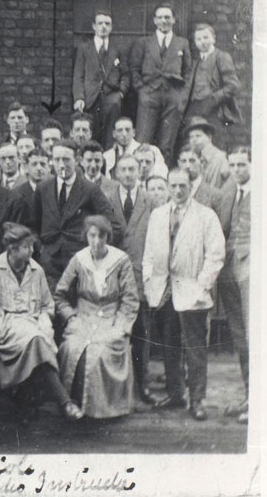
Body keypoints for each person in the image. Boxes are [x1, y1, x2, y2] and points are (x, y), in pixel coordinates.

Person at [143, 169, 224, 421]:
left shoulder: (205, 215)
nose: (178, 191)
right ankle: (176, 394)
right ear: (167, 186)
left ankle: (197, 400)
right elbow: (149, 252)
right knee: (170, 345)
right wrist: (148, 279)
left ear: (191, 186)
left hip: (191, 290)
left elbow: (215, 254)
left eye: (183, 186)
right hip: (164, 289)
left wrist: (202, 284)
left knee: (195, 349)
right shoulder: (157, 215)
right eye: (173, 186)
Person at [0, 223, 83, 420]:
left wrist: (45, 321)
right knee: (37, 341)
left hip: (33, 323)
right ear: (12, 249)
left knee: (37, 340)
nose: (31, 250)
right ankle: (65, 401)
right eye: (26, 247)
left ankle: (23, 401)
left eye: (31, 246)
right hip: (7, 325)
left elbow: (47, 304)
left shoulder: (37, 271)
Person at [54, 215, 140, 418]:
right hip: (83, 317)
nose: (96, 241)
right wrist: (71, 317)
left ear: (108, 237)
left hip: (110, 318)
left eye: (101, 236)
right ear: (86, 236)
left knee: (102, 350)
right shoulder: (79, 260)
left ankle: (101, 409)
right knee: (72, 347)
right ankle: (71, 404)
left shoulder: (120, 261)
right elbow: (60, 295)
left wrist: (121, 326)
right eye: (92, 236)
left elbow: (130, 300)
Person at [33, 139, 121, 289]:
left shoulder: (90, 189)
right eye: (57, 159)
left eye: (66, 159)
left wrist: (94, 254)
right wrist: (41, 250)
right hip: (49, 266)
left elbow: (114, 226)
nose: (61, 165)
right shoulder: (43, 188)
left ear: (77, 160)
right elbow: (34, 225)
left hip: (80, 265)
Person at [108, 155, 158, 404]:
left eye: (132, 169)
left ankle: (142, 385)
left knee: (141, 335)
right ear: (116, 173)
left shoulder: (151, 201)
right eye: (123, 170)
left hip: (140, 277)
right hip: (114, 277)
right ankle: (116, 388)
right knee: (115, 332)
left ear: (140, 172)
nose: (128, 174)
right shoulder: (106, 200)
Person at [129, 3, 192, 166]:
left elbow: (188, 72)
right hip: (149, 96)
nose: (164, 21)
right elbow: (134, 69)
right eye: (160, 17)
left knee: (167, 144)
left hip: (173, 97)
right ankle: (141, 183)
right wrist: (141, 90)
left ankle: (162, 183)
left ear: (174, 20)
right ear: (155, 20)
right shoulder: (144, 42)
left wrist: (182, 97)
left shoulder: (182, 43)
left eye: (167, 17)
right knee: (143, 142)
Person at [217, 146, 250, 425]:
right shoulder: (230, 194)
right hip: (230, 272)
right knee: (241, 337)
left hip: (253, 272)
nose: (237, 170)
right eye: (234, 165)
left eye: (242, 164)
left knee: (256, 337)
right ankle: (250, 395)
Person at [72, 10, 130, 148]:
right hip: (90, 99)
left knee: (110, 138)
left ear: (111, 27)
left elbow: (126, 74)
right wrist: (79, 98)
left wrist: (121, 93)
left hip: (111, 99)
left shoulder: (118, 49)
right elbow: (78, 75)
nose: (103, 26)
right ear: (94, 26)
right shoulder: (84, 48)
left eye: (107, 24)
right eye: (100, 23)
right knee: (90, 136)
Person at [183, 23, 241, 138]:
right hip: (194, 109)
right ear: (195, 42)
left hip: (214, 109)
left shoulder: (221, 57)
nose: (202, 42)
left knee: (213, 142)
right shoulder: (196, 61)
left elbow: (233, 85)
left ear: (213, 38)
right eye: (198, 39)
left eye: (206, 37)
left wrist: (214, 99)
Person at [176, 144, 224, 217]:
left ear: (201, 162)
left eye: (192, 161)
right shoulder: (171, 194)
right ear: (179, 164)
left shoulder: (215, 195)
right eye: (183, 161)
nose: (187, 166)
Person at [185, 116, 230, 189]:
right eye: (191, 137)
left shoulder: (217, 158)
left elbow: (213, 189)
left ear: (209, 137)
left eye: (198, 136)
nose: (194, 140)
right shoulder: (198, 158)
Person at [13, 146, 49, 215]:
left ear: (49, 167)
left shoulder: (56, 190)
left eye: (43, 164)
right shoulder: (16, 194)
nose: (39, 168)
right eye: (34, 164)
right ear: (26, 167)